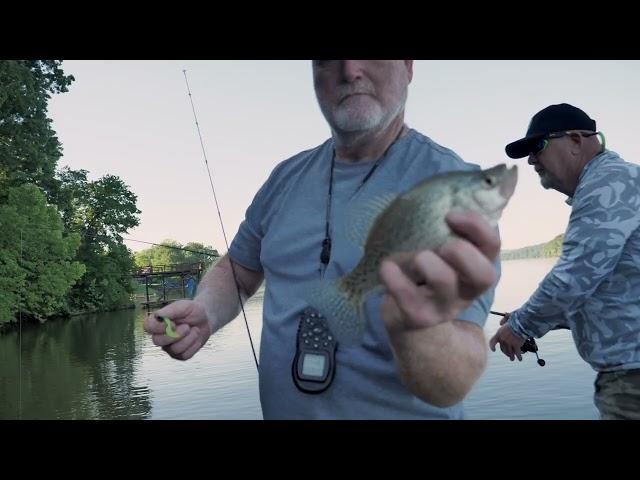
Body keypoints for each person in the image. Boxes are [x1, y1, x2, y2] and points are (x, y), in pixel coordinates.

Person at [144, 60, 502, 419]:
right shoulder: (284, 179)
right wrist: (206, 309)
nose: (350, 70)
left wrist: (419, 330)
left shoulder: (455, 187)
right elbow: (237, 269)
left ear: (408, 67)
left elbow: (452, 385)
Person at [490, 103, 640, 420]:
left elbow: (577, 275)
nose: (531, 160)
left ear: (575, 140)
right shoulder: (615, 182)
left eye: (538, 146)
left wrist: (522, 325)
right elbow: (610, 294)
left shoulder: (607, 185)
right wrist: (534, 317)